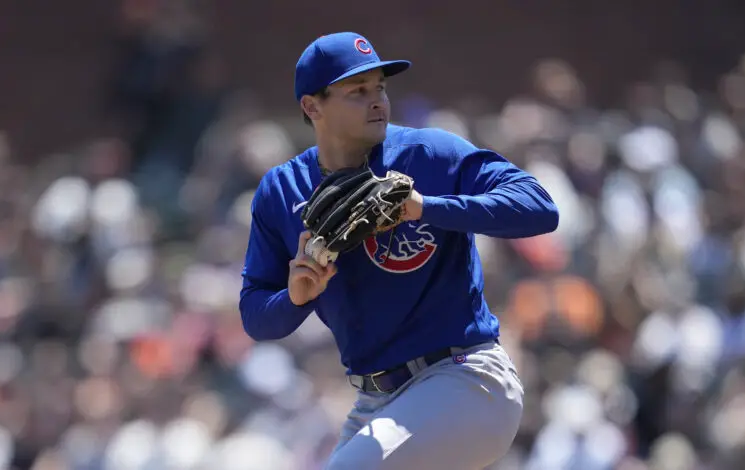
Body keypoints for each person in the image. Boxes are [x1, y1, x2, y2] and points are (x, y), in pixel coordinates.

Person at [239, 31, 559, 470]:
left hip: (465, 379)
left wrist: (426, 207)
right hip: (376, 401)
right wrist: (295, 298)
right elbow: (255, 315)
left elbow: (539, 207)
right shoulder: (283, 190)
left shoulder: (426, 154)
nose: (377, 101)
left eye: (380, 88)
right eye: (357, 91)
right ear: (312, 107)